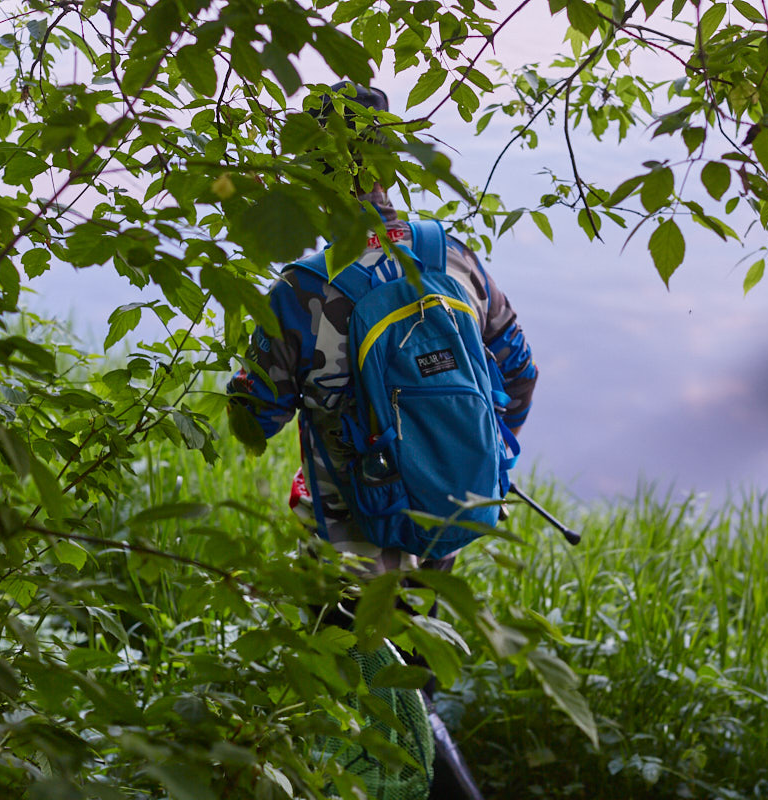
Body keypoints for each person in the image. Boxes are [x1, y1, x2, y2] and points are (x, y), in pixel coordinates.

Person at [226, 82, 538, 800]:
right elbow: (518, 373)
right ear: (391, 158)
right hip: (446, 521)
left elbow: (256, 421)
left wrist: (247, 373)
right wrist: (483, 461)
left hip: (350, 541)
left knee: (355, 708)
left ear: (312, 173)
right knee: (408, 686)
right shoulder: (452, 258)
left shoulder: (303, 290)